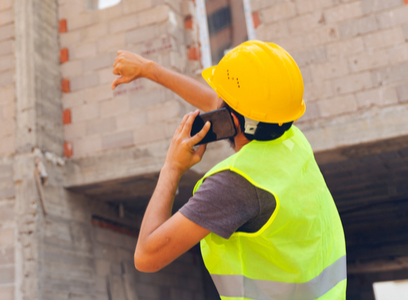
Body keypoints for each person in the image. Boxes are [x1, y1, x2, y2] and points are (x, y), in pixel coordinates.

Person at [111, 40, 346, 300]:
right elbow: (222, 104)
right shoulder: (292, 140)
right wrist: (148, 69)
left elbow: (146, 256)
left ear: (232, 120)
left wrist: (172, 167)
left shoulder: (235, 184)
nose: (214, 100)